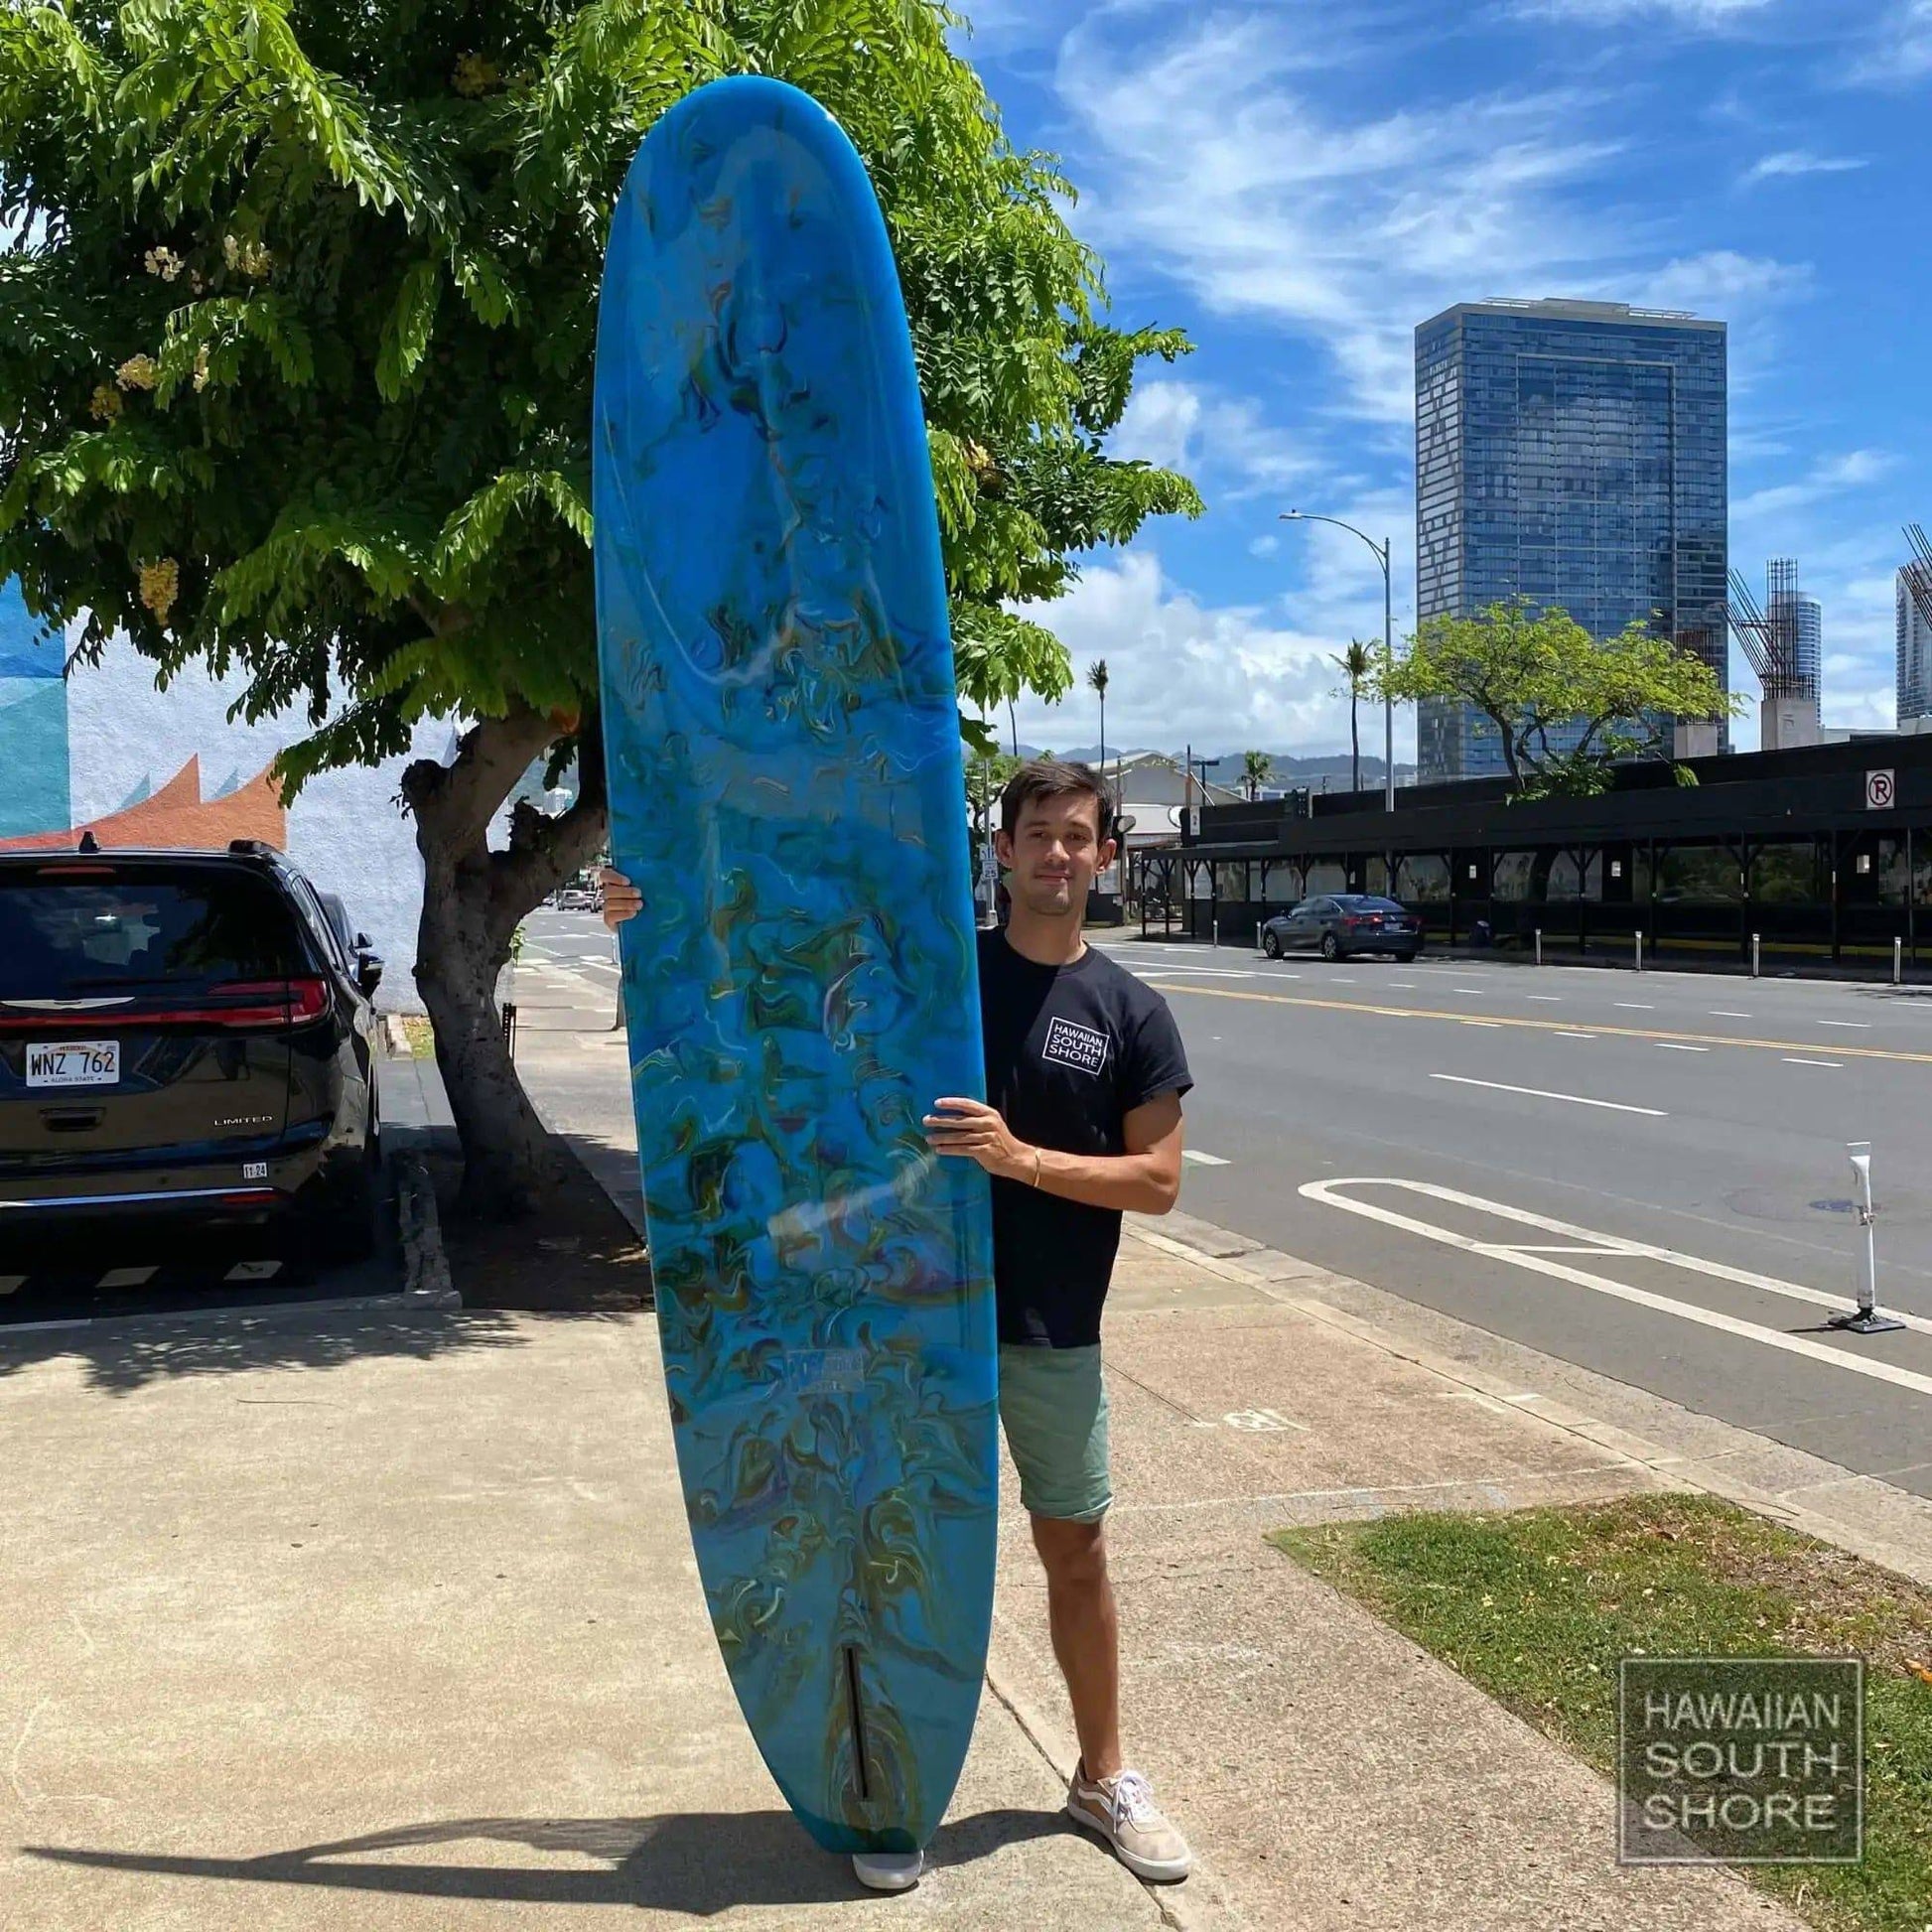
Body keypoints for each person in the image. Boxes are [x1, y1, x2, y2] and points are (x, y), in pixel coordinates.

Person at [600, 757, 1193, 1890]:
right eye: (1036, 833)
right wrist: (652, 911)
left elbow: (1157, 1178)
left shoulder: (1129, 1010)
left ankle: (1102, 1772)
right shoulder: (934, 981)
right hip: (903, 1322)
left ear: (1103, 853)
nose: (1055, 853)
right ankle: (893, 1792)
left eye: (1077, 835)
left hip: (1048, 1324)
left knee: (1074, 1543)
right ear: (1002, 849)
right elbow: (765, 990)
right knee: (887, 1547)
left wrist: (1019, 1159)